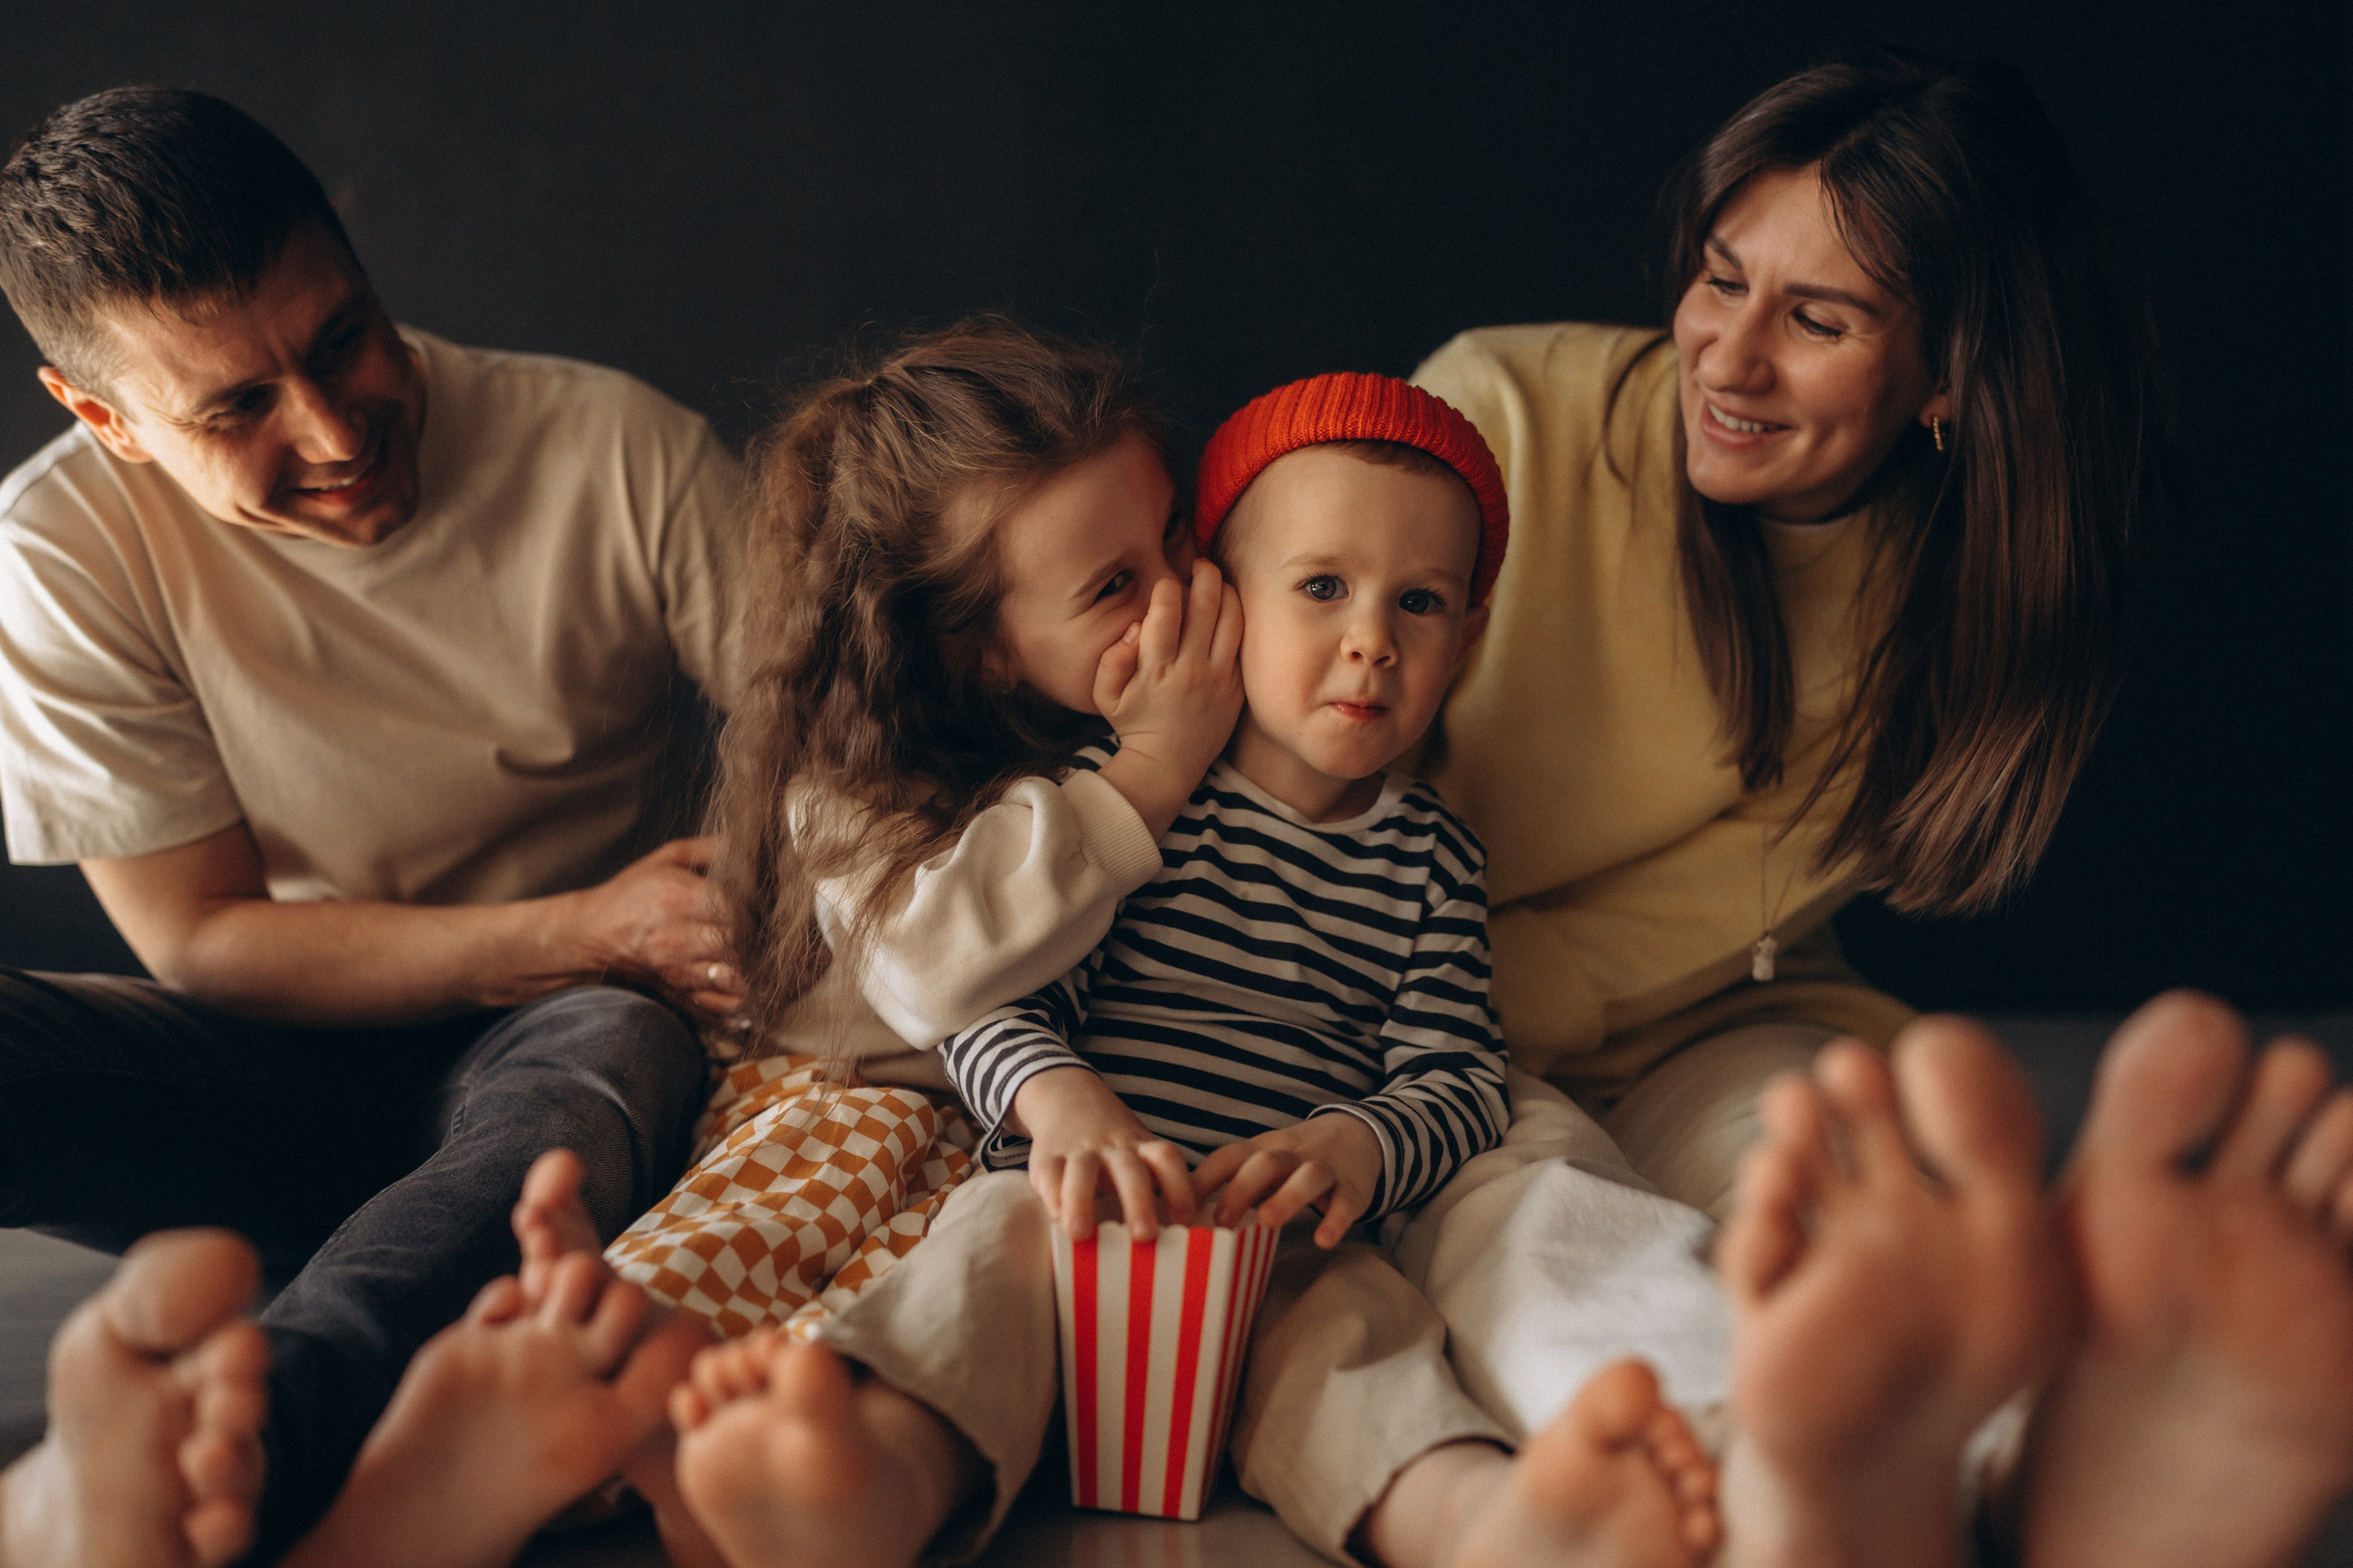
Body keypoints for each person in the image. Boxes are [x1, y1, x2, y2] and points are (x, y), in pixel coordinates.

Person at [1389, 43, 2351, 1568]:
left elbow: (1744, 906)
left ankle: (2033, 1455)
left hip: (1722, 1008)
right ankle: (1749, 1467)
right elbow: (1320, 793)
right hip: (1426, 1011)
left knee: (1836, 1174)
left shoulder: (1977, 586)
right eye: (1719, 279)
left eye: (1817, 318)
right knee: (1530, 1213)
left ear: (1951, 375)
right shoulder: (1494, 418)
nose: (1729, 354)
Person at [0, 85, 745, 1562]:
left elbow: (854, 752)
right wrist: (587, 923)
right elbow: (202, 940)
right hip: (275, 1064)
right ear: (103, 419)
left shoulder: (618, 452)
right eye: (238, 408)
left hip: (587, 1059)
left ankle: (252, 1446)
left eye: (341, 335)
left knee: (607, 1040)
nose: (337, 428)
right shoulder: (59, 548)